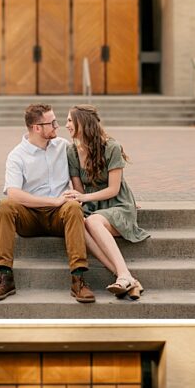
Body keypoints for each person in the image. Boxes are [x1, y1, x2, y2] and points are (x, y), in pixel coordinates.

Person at [0, 104, 95, 303]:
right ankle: (5, 276)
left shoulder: (63, 147)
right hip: (31, 218)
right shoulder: (17, 155)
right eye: (52, 122)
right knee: (5, 205)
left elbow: (95, 162)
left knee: (72, 206)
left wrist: (118, 199)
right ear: (37, 128)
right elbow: (13, 193)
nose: (57, 125)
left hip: (61, 217)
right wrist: (52, 201)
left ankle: (78, 279)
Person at [63, 105, 150, 299]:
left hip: (118, 204)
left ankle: (124, 276)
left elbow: (113, 189)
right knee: (80, 224)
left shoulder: (111, 147)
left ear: (82, 123)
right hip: (94, 207)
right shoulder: (72, 151)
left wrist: (84, 197)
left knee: (92, 221)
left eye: (70, 120)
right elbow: (79, 190)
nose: (66, 125)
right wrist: (74, 197)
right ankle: (126, 276)